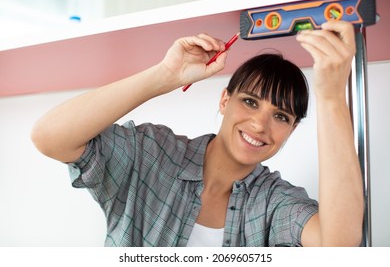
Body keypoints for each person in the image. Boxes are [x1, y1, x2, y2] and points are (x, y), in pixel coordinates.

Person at [31, 20, 363, 247]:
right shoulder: (151, 155)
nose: (260, 125)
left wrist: (332, 98)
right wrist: (164, 75)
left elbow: (337, 247)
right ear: (224, 100)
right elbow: (49, 137)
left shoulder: (275, 202)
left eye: (280, 116)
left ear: (292, 130)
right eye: (249, 102)